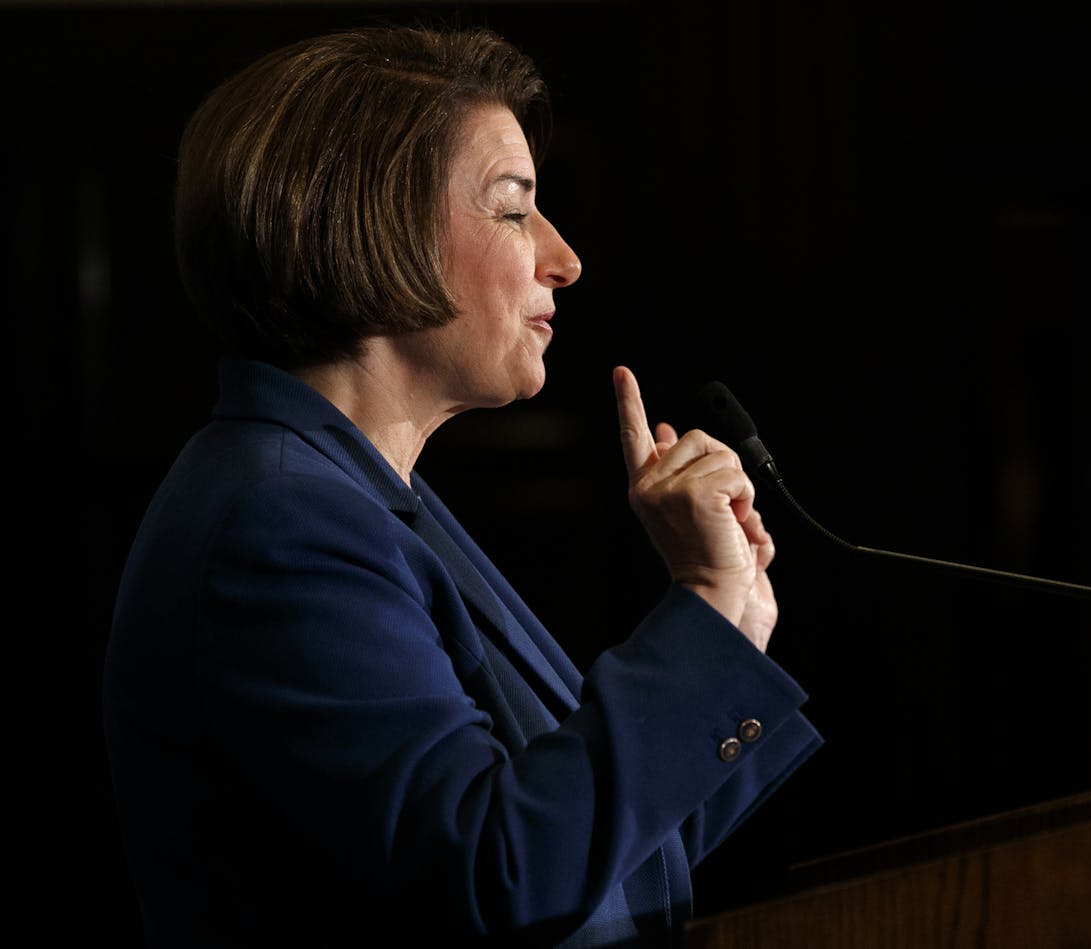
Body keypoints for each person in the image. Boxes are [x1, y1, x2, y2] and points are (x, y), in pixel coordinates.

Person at [101, 24, 821, 949]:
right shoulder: (279, 524)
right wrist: (703, 614)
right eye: (514, 209)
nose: (563, 257)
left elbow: (593, 861)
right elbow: (496, 876)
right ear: (370, 222)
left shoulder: (360, 495)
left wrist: (734, 626)